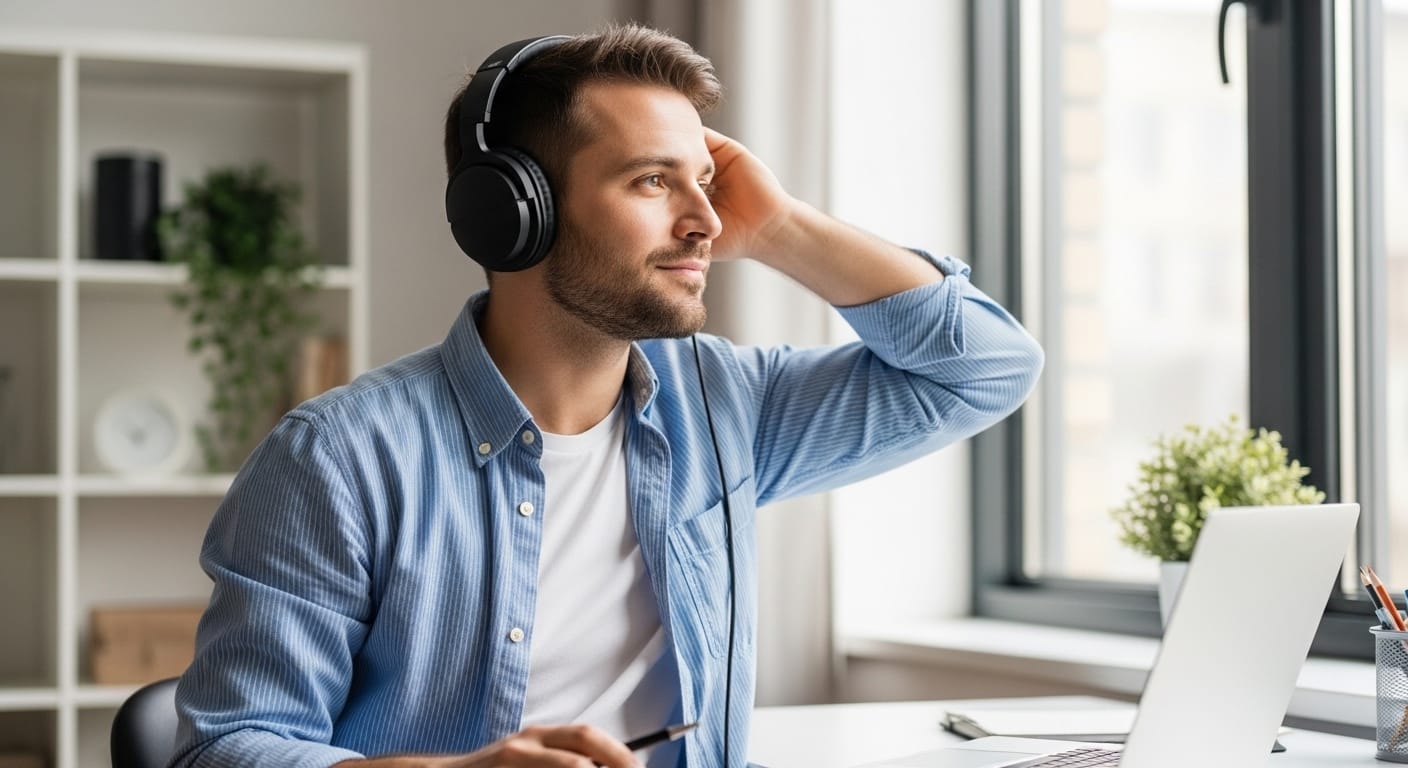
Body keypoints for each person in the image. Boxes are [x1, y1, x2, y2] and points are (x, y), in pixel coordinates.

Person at [170, 22, 1043, 768]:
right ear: (517, 212)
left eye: (705, 178)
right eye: (653, 181)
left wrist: (779, 226)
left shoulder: (727, 408)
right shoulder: (341, 458)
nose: (705, 218)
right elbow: (230, 747)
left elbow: (988, 368)